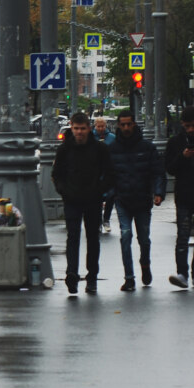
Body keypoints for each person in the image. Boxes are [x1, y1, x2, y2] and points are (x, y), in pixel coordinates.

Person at [51, 112, 116, 295]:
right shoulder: (65, 149)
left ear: (89, 128)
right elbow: (57, 174)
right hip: (72, 200)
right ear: (72, 128)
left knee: (93, 239)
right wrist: (64, 191)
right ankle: (72, 274)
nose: (79, 132)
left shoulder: (99, 148)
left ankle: (92, 277)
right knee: (72, 237)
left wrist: (99, 192)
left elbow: (110, 173)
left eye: (82, 129)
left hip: (93, 200)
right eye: (76, 128)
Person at [105, 110, 164, 291]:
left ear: (134, 124)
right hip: (122, 200)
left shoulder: (147, 147)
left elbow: (157, 172)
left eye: (128, 124)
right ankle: (129, 277)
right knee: (125, 235)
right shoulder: (113, 149)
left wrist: (158, 193)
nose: (125, 127)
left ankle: (145, 265)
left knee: (144, 240)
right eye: (122, 125)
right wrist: (110, 194)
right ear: (118, 126)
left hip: (142, 200)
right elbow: (107, 175)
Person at [164, 105, 194, 289]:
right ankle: (182, 272)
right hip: (184, 194)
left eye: (193, 126)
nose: (190, 130)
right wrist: (183, 156)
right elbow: (170, 168)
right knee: (182, 236)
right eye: (187, 126)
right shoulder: (175, 143)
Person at [93, 115, 116, 234]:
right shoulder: (91, 137)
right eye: (98, 126)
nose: (100, 128)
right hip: (95, 173)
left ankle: (106, 219)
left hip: (109, 172)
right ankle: (97, 221)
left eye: (102, 126)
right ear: (95, 126)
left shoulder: (112, 138)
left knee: (111, 196)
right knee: (96, 198)